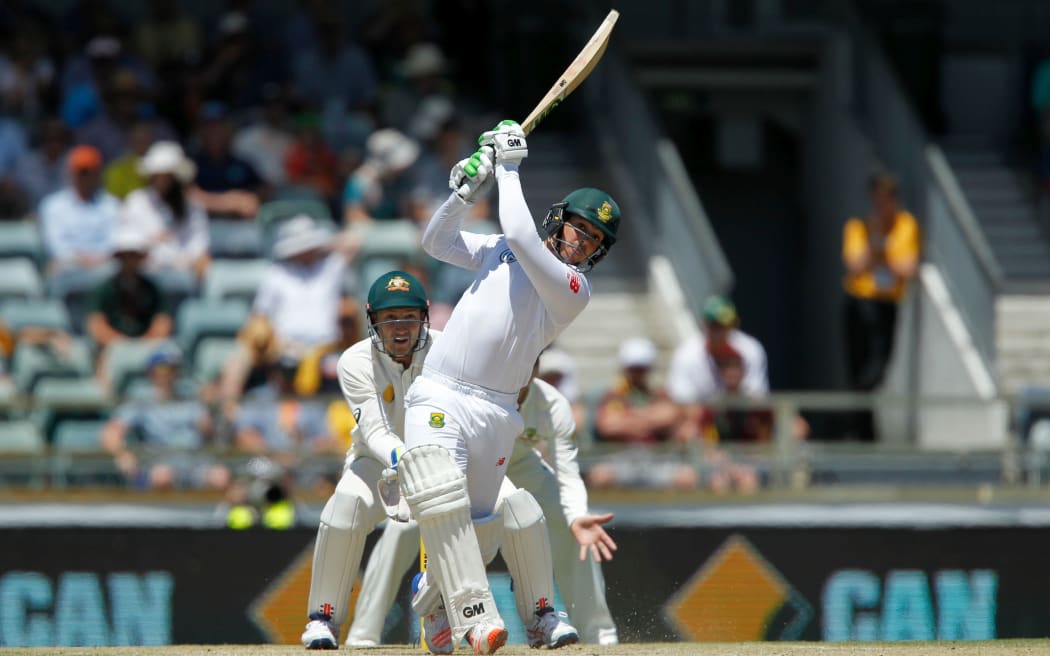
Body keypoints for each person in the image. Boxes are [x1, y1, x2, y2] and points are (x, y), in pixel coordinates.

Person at [394, 119, 620, 653]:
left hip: (498, 412)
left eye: (594, 240)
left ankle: (434, 599)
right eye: (579, 228)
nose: (583, 242)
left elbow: (521, 234)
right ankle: (475, 618)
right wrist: (463, 192)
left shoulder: (573, 288)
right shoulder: (498, 246)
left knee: (480, 526)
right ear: (560, 221)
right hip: (442, 391)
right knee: (440, 499)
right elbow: (437, 241)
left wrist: (510, 167)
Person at [345, 358, 619, 647]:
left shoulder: (552, 404)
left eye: (530, 362)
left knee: (576, 527)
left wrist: (576, 515)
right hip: (471, 467)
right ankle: (363, 635)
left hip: (523, 469)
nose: (521, 371)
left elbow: (567, 471)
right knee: (401, 530)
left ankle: (599, 635)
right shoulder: (477, 390)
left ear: (536, 366)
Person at [841, 172, 921, 440]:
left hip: (888, 304)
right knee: (858, 369)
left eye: (887, 198)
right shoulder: (859, 227)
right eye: (878, 198)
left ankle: (856, 424)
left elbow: (908, 268)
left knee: (878, 369)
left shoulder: (906, 225)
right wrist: (876, 242)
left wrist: (881, 254)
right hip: (860, 302)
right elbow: (856, 267)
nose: (882, 204)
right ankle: (863, 431)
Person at [99, 346, 229, 490]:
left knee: (220, 476)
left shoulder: (190, 398)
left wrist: (211, 408)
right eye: (163, 369)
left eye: (173, 369)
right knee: (163, 476)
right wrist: (123, 455)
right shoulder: (142, 400)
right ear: (151, 372)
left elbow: (208, 433)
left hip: (194, 461)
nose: (169, 375)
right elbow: (111, 432)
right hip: (160, 461)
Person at [587, 337, 696, 491]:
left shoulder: (660, 394)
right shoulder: (612, 396)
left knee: (686, 477)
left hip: (657, 456)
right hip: (622, 456)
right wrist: (651, 419)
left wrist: (629, 418)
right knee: (601, 476)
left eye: (642, 368)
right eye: (634, 368)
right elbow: (608, 426)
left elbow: (670, 416)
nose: (638, 373)